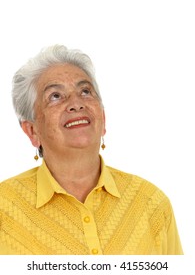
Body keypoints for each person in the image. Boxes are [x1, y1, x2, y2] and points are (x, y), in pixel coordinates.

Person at [0, 45, 183, 255]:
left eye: (85, 91)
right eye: (55, 96)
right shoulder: (4, 209)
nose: (76, 103)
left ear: (103, 119)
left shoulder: (151, 203)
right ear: (32, 131)